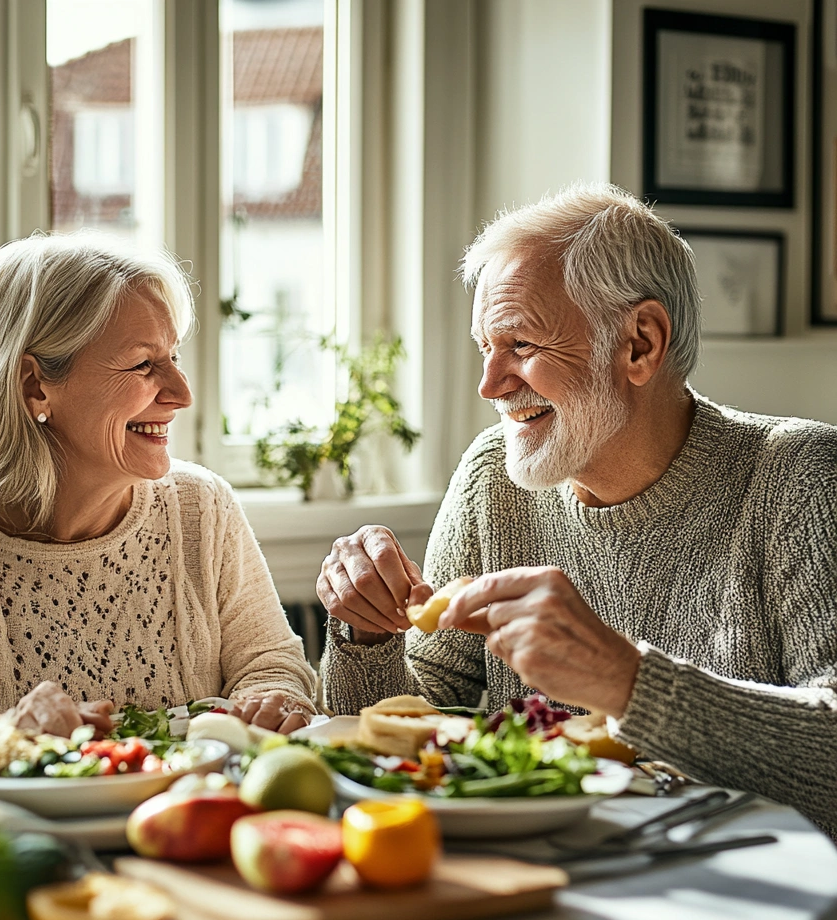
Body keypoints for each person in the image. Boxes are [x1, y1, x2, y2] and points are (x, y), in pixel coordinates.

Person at [317, 182, 837, 837]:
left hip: (760, 896)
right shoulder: (491, 476)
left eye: (523, 346)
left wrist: (627, 682)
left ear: (640, 344)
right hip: (551, 880)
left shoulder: (801, 477)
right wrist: (365, 637)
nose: (491, 385)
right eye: (487, 347)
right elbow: (409, 718)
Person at [0, 234, 318, 797]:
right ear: (34, 385)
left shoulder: (203, 506)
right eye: (144, 364)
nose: (181, 393)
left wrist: (272, 701)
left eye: (173, 358)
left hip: (190, 840)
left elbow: (271, 664)